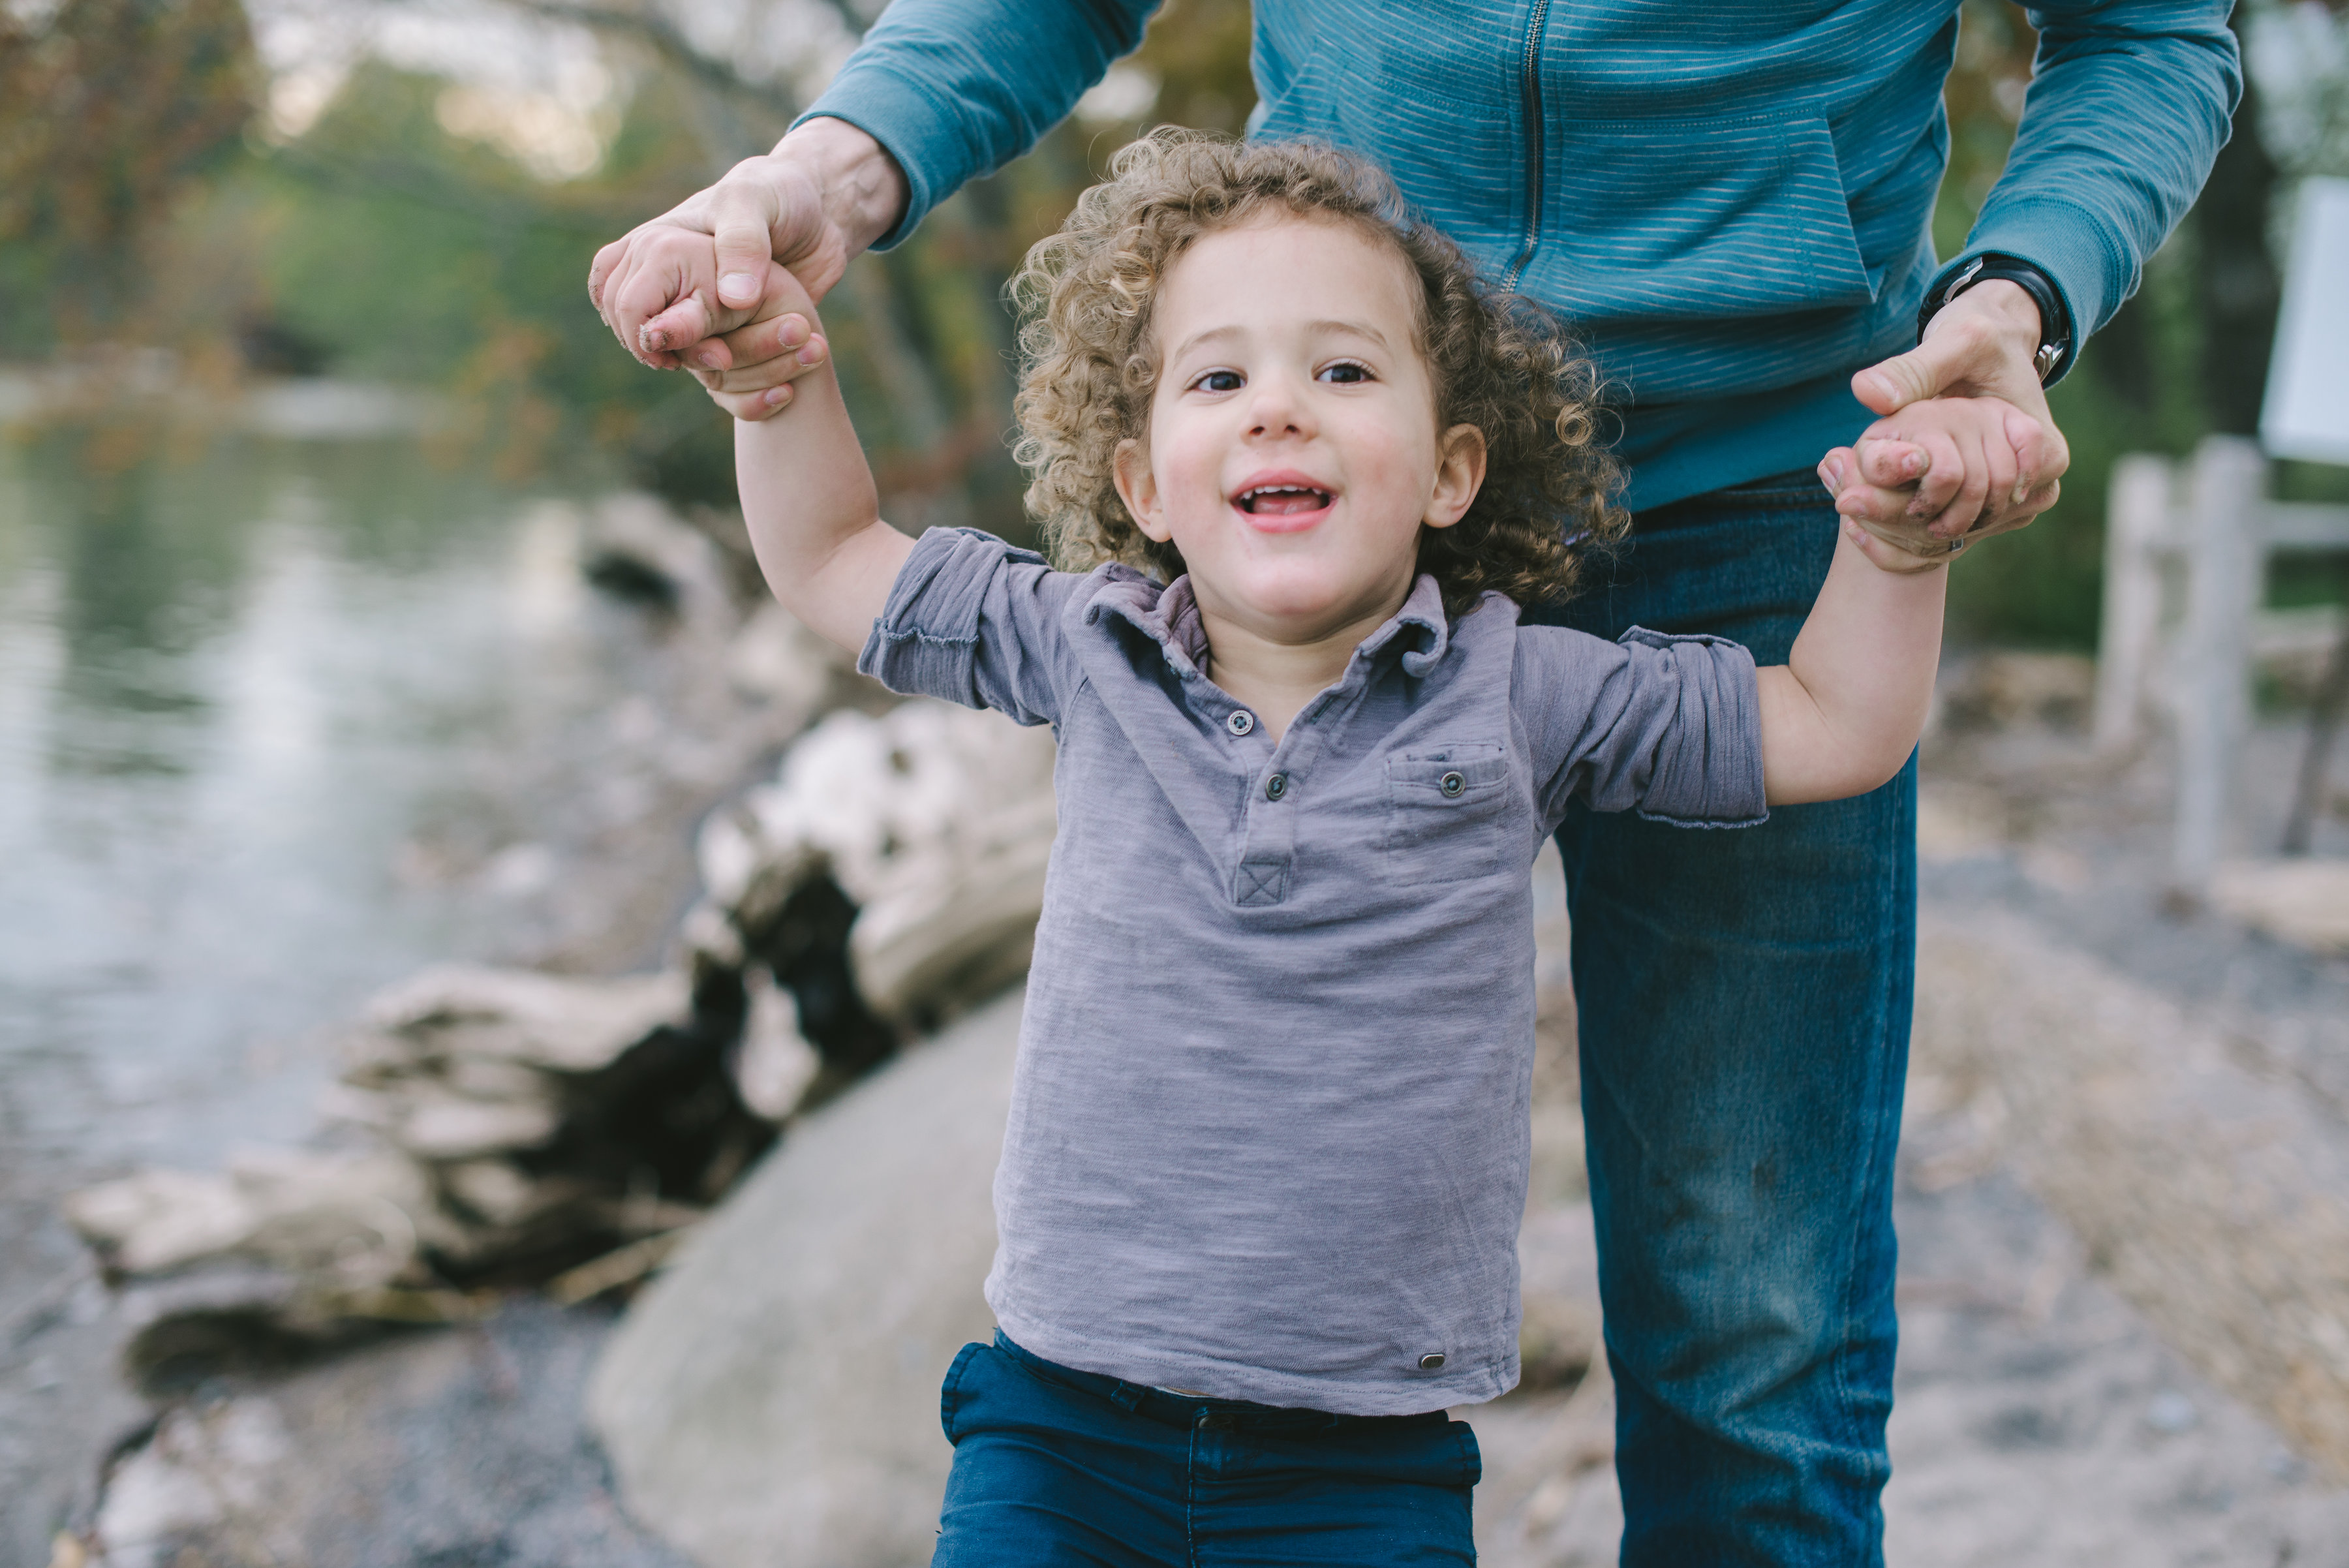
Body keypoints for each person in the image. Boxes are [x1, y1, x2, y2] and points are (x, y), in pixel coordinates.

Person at [588, 5, 2239, 1558]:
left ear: (1453, 458)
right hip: (1059, 1428)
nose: (1273, 408)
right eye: (1221, 379)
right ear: (1138, 476)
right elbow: (829, 552)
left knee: (1757, 1336)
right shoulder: (1100, 645)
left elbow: (1834, 720)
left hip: (1770, 479)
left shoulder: (1517, 688)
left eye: (1330, 376)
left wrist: (1919, 478)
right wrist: (798, 266)